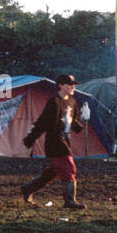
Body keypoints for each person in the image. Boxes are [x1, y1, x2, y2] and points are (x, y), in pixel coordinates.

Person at [20, 74, 86, 209]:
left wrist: (77, 126)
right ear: (61, 85)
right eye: (69, 84)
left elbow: (72, 119)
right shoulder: (54, 102)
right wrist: (31, 138)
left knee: (54, 171)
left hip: (65, 140)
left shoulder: (72, 102)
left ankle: (28, 188)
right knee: (69, 168)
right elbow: (42, 122)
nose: (73, 87)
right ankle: (69, 201)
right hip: (55, 141)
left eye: (73, 84)